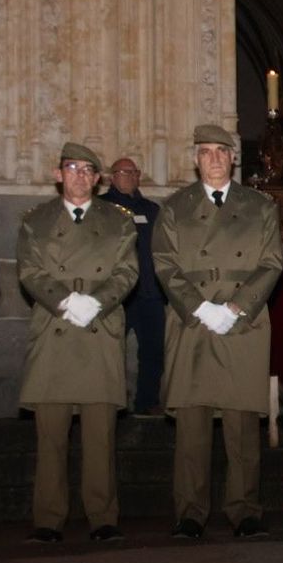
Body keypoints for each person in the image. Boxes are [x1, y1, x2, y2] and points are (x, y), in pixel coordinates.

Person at [154, 124, 283, 540]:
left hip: (242, 321)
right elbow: (164, 264)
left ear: (233, 158)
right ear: (195, 159)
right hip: (193, 321)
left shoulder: (260, 205)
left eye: (221, 152)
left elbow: (271, 263)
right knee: (192, 423)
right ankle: (190, 512)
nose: (213, 158)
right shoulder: (174, 207)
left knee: (241, 423)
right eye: (205, 151)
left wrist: (236, 307)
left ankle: (244, 509)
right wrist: (199, 307)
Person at [15, 142, 137, 543]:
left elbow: (127, 271)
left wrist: (97, 303)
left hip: (98, 332)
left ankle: (103, 516)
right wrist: (65, 300)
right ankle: (49, 519)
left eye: (88, 170)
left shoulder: (118, 221)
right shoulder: (36, 220)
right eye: (72, 168)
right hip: (56, 329)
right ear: (58, 174)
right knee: (51, 436)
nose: (80, 176)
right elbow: (30, 272)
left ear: (99, 179)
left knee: (100, 435)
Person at [101, 157, 165, 415]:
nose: (127, 176)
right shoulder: (101, 208)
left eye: (132, 172)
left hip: (150, 293)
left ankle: (146, 402)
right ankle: (110, 403)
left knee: (153, 351)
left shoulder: (151, 210)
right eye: (122, 172)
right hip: (117, 296)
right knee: (110, 351)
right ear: (111, 177)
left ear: (139, 176)